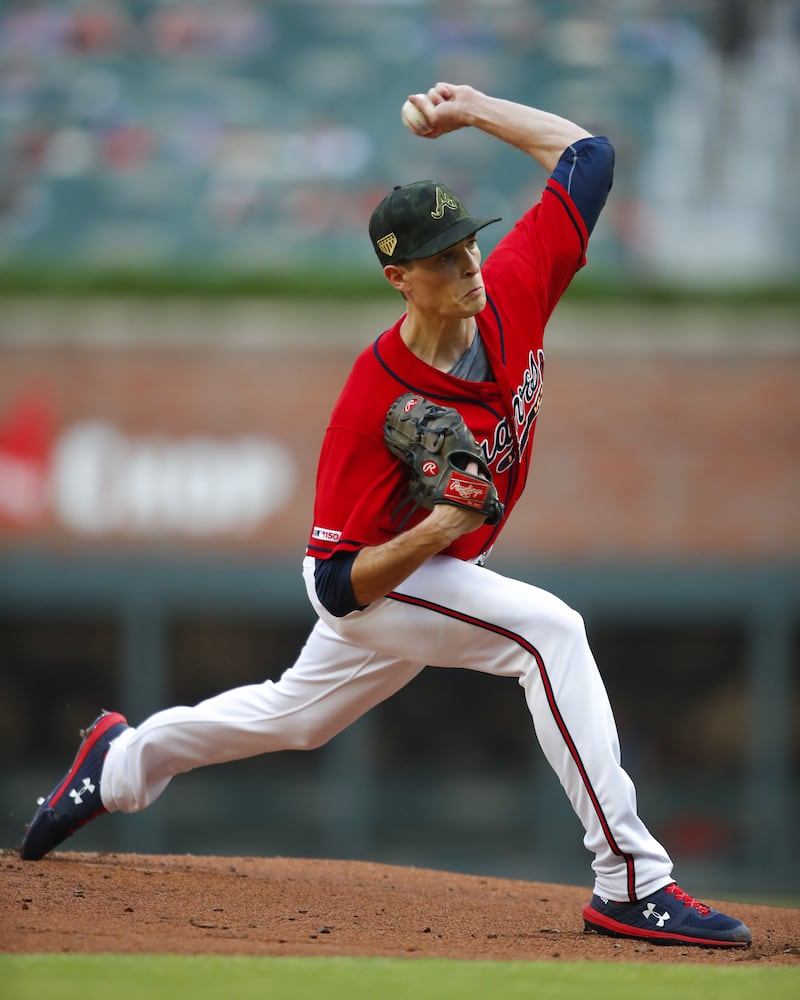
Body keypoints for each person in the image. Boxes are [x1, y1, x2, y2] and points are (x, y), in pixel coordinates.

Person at [20, 83, 751, 949]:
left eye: (469, 243)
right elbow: (335, 586)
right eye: (445, 257)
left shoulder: (509, 288)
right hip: (376, 577)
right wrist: (439, 529)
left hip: (438, 566)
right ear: (399, 277)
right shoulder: (372, 405)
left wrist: (475, 107)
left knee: (296, 717)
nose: (470, 265)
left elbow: (589, 155)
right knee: (551, 634)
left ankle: (120, 761)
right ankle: (631, 881)